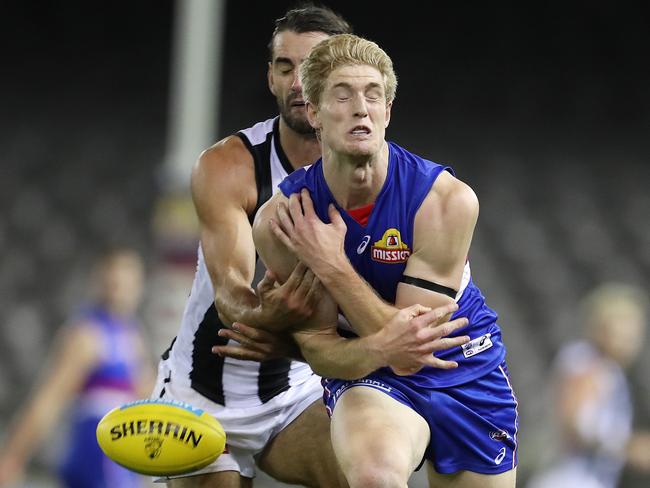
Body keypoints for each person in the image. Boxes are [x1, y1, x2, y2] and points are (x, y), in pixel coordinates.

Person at [152, 6, 467, 488]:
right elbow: (232, 296)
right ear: (271, 79)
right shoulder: (229, 166)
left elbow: (402, 330)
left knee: (368, 474)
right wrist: (268, 317)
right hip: (206, 393)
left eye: (312, 65)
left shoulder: (384, 177)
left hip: (297, 388)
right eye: (284, 68)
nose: (298, 81)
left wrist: (290, 336)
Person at [252, 34, 519, 488]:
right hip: (370, 374)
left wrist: (332, 265)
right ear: (313, 113)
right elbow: (320, 350)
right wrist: (370, 351)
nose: (361, 108)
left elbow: (417, 346)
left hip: (464, 364)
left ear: (388, 112)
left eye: (373, 95)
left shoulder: (445, 200)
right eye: (343, 94)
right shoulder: (283, 220)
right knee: (375, 476)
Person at [0, 247, 153, 488]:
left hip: (122, 462)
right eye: (114, 284)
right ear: (100, 283)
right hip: (95, 462)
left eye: (128, 284)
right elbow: (49, 398)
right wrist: (14, 456)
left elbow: (148, 396)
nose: (121, 292)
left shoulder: (133, 335)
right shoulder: (87, 335)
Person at [526, 283, 650, 488]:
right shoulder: (585, 362)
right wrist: (630, 447)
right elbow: (576, 425)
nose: (631, 339)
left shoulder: (611, 371)